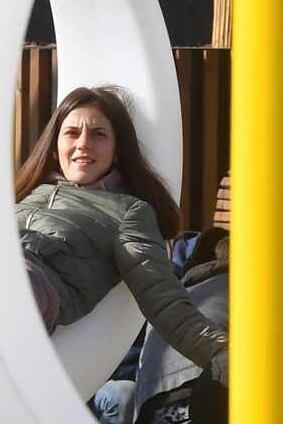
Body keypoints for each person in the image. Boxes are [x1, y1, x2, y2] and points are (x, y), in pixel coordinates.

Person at [14, 85, 229, 386]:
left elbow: (163, 299)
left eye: (98, 135)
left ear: (117, 152)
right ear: (54, 147)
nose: (83, 144)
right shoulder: (27, 194)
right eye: (72, 133)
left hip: (24, 289)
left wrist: (222, 353)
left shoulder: (129, 212)